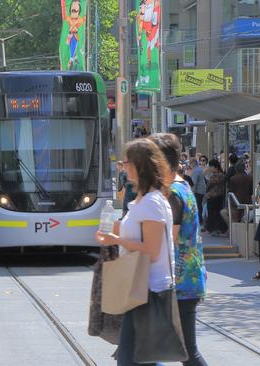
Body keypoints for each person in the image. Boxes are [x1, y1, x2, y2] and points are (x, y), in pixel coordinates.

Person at [95, 138, 174, 366]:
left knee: (134, 360)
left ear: (140, 165)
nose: (122, 166)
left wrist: (115, 238)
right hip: (137, 288)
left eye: (125, 162)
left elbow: (152, 250)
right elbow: (133, 234)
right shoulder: (141, 201)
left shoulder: (152, 202)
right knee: (138, 359)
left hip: (149, 290)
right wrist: (112, 233)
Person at [149, 134, 208, 366]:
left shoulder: (173, 193)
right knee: (179, 351)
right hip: (187, 278)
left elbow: (170, 238)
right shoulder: (183, 186)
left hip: (179, 282)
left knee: (185, 352)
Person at [204, 159, 228, 236]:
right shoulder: (222, 175)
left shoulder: (216, 175)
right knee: (217, 213)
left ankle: (212, 229)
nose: (209, 168)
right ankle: (218, 229)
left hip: (212, 197)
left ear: (215, 167)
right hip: (219, 196)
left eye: (210, 166)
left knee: (212, 213)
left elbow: (209, 185)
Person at [189, 158, 206, 226]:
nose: (190, 165)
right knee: (200, 206)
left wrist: (192, 192)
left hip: (198, 191)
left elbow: (194, 183)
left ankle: (199, 220)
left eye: (190, 163)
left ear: (193, 163)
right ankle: (200, 220)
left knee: (198, 206)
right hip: (202, 189)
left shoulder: (195, 171)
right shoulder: (199, 169)